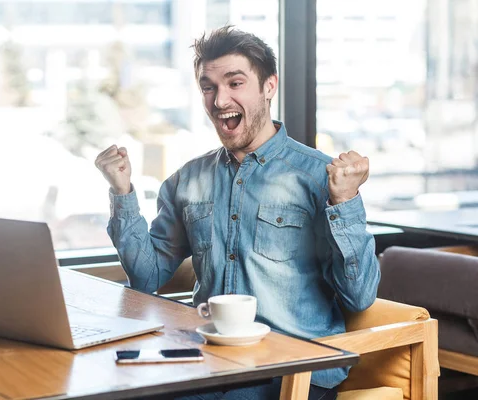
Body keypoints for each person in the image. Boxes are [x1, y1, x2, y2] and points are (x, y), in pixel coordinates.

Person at [95, 26, 380, 400]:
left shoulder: (318, 176)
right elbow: (147, 277)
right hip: (209, 363)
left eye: (235, 83)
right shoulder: (188, 180)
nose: (219, 100)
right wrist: (121, 191)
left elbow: (359, 297)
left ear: (268, 86)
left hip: (291, 372)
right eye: (208, 86)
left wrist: (345, 202)